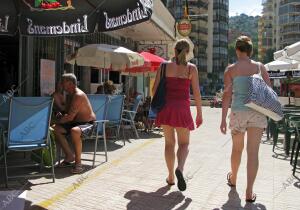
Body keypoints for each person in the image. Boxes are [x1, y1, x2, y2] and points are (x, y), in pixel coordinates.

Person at [220, 36, 271, 203]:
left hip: (238, 113)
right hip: (257, 112)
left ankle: (233, 179)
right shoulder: (259, 67)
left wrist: (222, 119)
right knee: (253, 153)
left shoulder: (230, 69)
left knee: (237, 149)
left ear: (237, 50)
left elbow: (227, 96)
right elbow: (269, 92)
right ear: (250, 50)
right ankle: (249, 191)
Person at [153, 39, 203, 191]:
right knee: (184, 144)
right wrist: (199, 113)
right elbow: (197, 93)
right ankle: (179, 169)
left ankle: (170, 177)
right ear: (187, 53)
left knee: (169, 144)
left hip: (166, 108)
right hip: (182, 110)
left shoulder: (163, 66)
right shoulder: (191, 68)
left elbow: (154, 89)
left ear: (174, 51)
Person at [53, 73, 96, 174]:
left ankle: (78, 164)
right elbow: (66, 110)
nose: (61, 85)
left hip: (88, 124)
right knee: (56, 129)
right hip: (75, 122)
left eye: (62, 83)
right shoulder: (69, 95)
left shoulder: (78, 95)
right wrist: (57, 103)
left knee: (74, 131)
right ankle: (69, 156)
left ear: (70, 83)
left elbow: (69, 117)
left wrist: (51, 121)